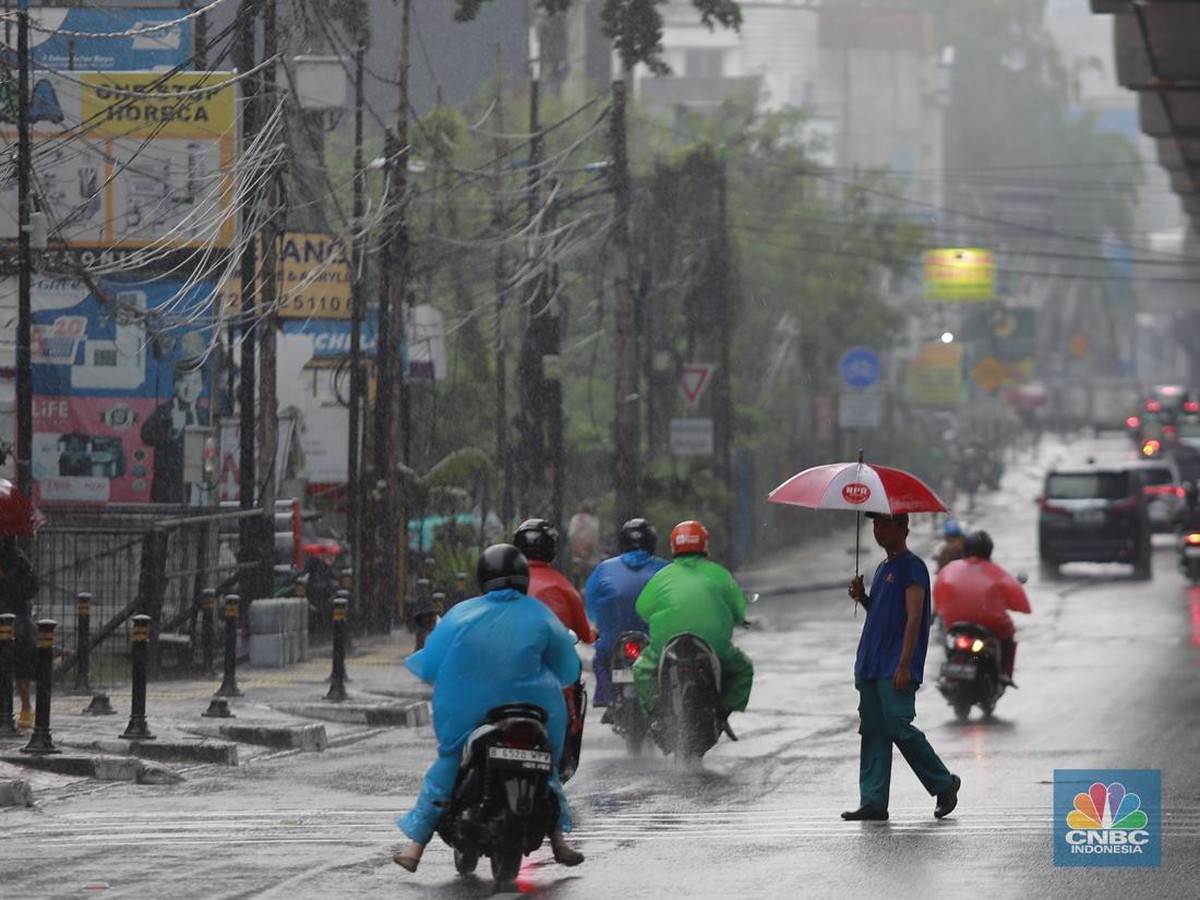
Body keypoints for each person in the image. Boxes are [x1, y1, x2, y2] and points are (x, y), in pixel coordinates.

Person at [394, 543, 584, 872]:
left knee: (448, 762)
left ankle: (415, 847)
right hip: (536, 708)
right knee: (547, 766)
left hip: (466, 708)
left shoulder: (461, 614)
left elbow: (430, 664)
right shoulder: (541, 615)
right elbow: (568, 670)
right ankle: (559, 840)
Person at [844, 511, 960, 822]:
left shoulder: (913, 567)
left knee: (897, 726)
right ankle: (873, 801)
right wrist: (863, 597)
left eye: (884, 524)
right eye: (874, 524)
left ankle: (944, 783)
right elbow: (881, 614)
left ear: (903, 527)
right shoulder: (883, 568)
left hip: (894, 665)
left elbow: (914, 618)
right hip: (869, 662)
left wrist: (905, 664)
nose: (878, 530)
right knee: (873, 731)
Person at [632, 520, 753, 720]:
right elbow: (739, 609)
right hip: (715, 645)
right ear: (705, 545)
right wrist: (740, 620)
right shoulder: (720, 574)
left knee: (641, 669)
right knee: (743, 669)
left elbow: (642, 609)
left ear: (673, 546)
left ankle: (655, 713)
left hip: (665, 645)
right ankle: (723, 711)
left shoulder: (661, 577)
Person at [513, 518, 595, 777]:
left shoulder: (504, 584)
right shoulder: (565, 587)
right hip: (553, 680)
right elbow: (585, 633)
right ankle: (570, 735)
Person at [583, 517, 669, 708]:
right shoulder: (664, 569)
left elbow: (591, 601)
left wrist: (596, 626)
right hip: (654, 641)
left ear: (622, 544)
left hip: (612, 641)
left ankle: (605, 698)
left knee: (600, 661)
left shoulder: (604, 569)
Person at [934, 530, 1026, 686]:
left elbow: (939, 593)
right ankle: (1004, 673)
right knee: (1009, 632)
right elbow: (1014, 596)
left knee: (947, 637)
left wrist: (939, 611)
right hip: (988, 621)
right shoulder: (995, 572)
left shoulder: (951, 569)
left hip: (955, 621)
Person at [140, 356, 210, 503]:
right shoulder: (163, 412)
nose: (189, 388)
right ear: (175, 384)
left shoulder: (205, 415)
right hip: (167, 489)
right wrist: (172, 430)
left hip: (198, 488)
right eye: (184, 382)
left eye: (195, 383)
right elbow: (145, 436)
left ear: (202, 386)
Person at [0, 536, 39, 730]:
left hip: (15, 615)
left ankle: (25, 705)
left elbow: (31, 587)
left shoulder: (17, 559)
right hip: (12, 613)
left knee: (21, 659)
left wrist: (9, 578)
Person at [567, 499, 602, 583]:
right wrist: (583, 550)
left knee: (580, 579)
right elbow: (594, 539)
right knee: (586, 579)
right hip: (587, 558)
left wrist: (580, 550)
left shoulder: (576, 519)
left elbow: (571, 537)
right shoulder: (592, 521)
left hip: (582, 557)